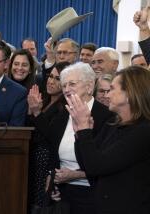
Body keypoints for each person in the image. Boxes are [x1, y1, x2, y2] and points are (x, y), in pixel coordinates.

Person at [30, 62, 113, 214]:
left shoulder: (107, 117)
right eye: (64, 85)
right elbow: (51, 147)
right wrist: (52, 176)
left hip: (94, 194)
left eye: (72, 84)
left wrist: (76, 175)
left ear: (89, 86)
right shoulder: (62, 116)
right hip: (63, 194)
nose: (66, 89)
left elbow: (108, 164)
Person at [67, 65, 150, 213]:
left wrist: (84, 130)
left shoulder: (143, 131)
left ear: (129, 94)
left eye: (112, 89)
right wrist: (79, 132)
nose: (107, 95)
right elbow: (87, 165)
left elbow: (97, 166)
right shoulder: (113, 124)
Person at [27, 61, 70, 210]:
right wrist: (31, 111)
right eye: (51, 76)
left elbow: (53, 136)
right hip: (34, 158)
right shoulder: (43, 100)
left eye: (57, 79)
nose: (51, 81)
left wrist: (37, 113)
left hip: (47, 162)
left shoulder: (65, 107)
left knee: (42, 204)